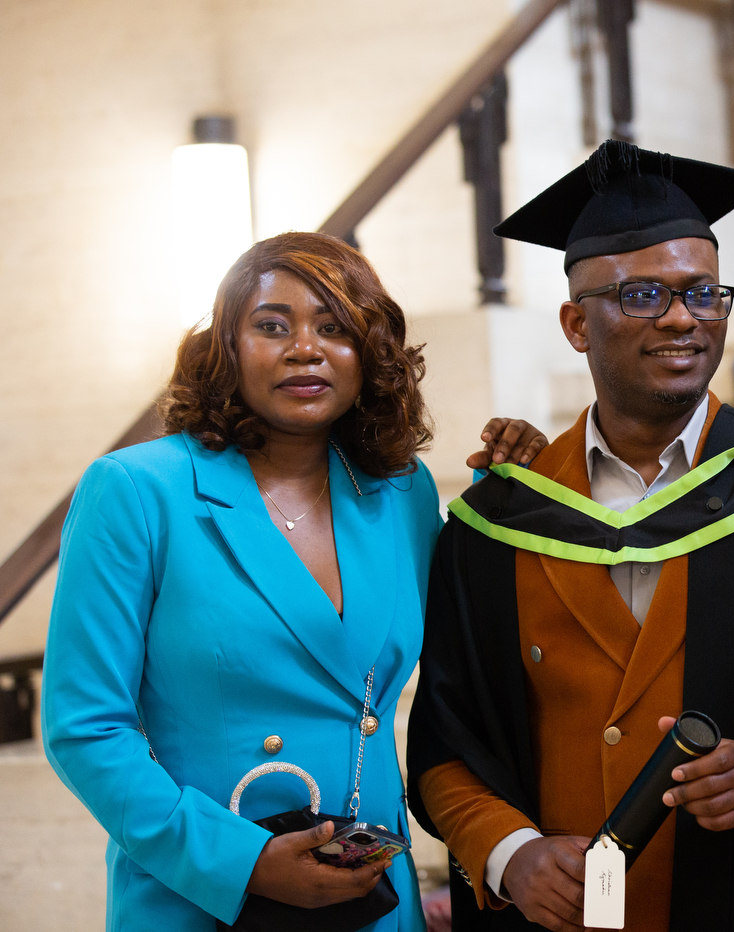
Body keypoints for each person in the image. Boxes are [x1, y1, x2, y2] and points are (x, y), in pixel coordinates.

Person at [406, 141, 734, 932]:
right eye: (643, 295)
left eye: (702, 294)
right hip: (572, 916)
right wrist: (509, 852)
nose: (683, 317)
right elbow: (447, 743)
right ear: (576, 325)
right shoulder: (501, 521)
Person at [41, 232, 544, 931]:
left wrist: (520, 482)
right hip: (203, 891)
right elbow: (85, 728)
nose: (304, 348)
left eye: (335, 327)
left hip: (368, 893)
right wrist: (242, 862)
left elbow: (475, 620)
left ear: (370, 355)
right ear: (226, 347)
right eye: (272, 325)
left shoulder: (401, 492)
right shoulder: (135, 490)